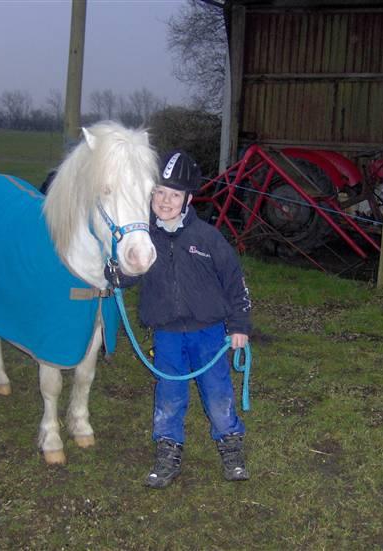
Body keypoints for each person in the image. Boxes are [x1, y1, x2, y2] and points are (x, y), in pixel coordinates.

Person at [107, 150, 252, 489]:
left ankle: (230, 446)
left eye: (173, 195)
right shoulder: (146, 238)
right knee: (169, 394)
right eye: (159, 192)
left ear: (188, 199)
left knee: (217, 391)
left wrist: (240, 326)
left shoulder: (208, 238)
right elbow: (130, 272)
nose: (165, 201)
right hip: (167, 334)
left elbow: (234, 283)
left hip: (209, 333)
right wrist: (115, 274)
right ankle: (168, 451)